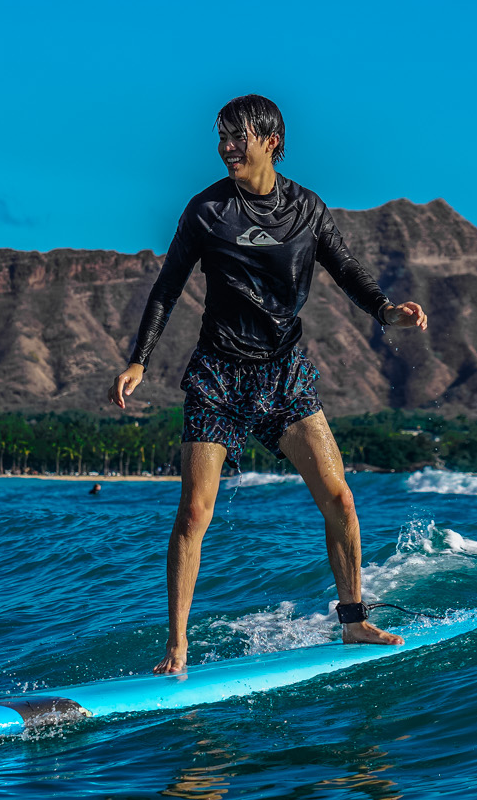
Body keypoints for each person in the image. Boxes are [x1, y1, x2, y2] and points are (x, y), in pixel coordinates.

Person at [112, 94, 429, 675]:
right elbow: (167, 287)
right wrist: (140, 362)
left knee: (339, 497)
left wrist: (387, 311)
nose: (226, 147)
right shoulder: (207, 210)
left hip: (283, 373)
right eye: (222, 137)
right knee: (194, 512)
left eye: (239, 137)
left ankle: (354, 621)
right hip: (218, 375)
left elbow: (347, 270)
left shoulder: (306, 209)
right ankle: (177, 648)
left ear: (271, 142)